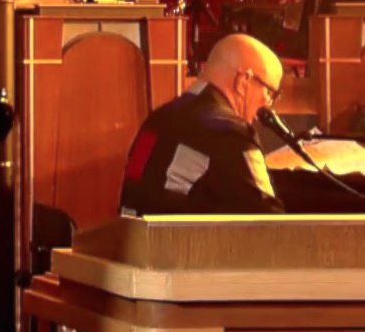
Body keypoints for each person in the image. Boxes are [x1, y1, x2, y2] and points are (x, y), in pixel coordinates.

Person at [120, 33, 285, 216]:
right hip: (180, 235)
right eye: (270, 94)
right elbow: (271, 221)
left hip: (132, 232)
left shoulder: (155, 120)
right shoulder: (232, 133)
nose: (268, 106)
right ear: (242, 81)